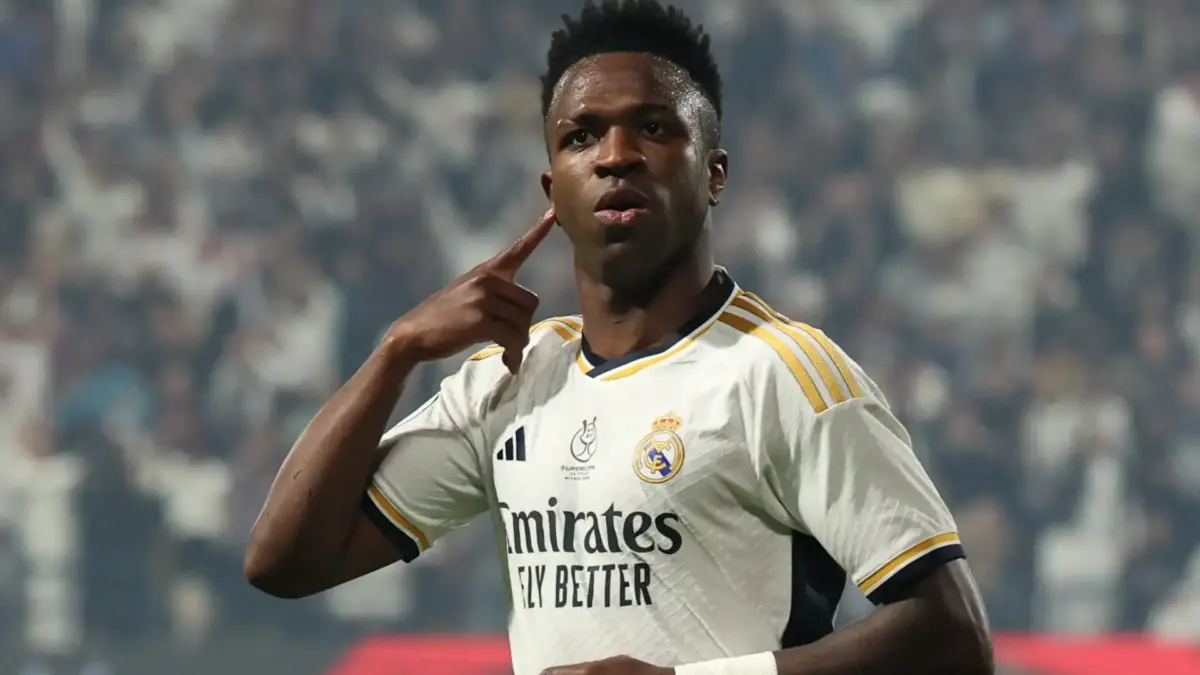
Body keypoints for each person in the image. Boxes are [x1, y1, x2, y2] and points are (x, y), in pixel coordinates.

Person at [243, 1, 994, 673]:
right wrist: (398, 350)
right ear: (552, 190)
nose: (615, 154)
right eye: (582, 136)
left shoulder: (785, 373)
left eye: (655, 127)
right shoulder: (508, 379)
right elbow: (284, 562)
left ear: (715, 174)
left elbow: (953, 634)